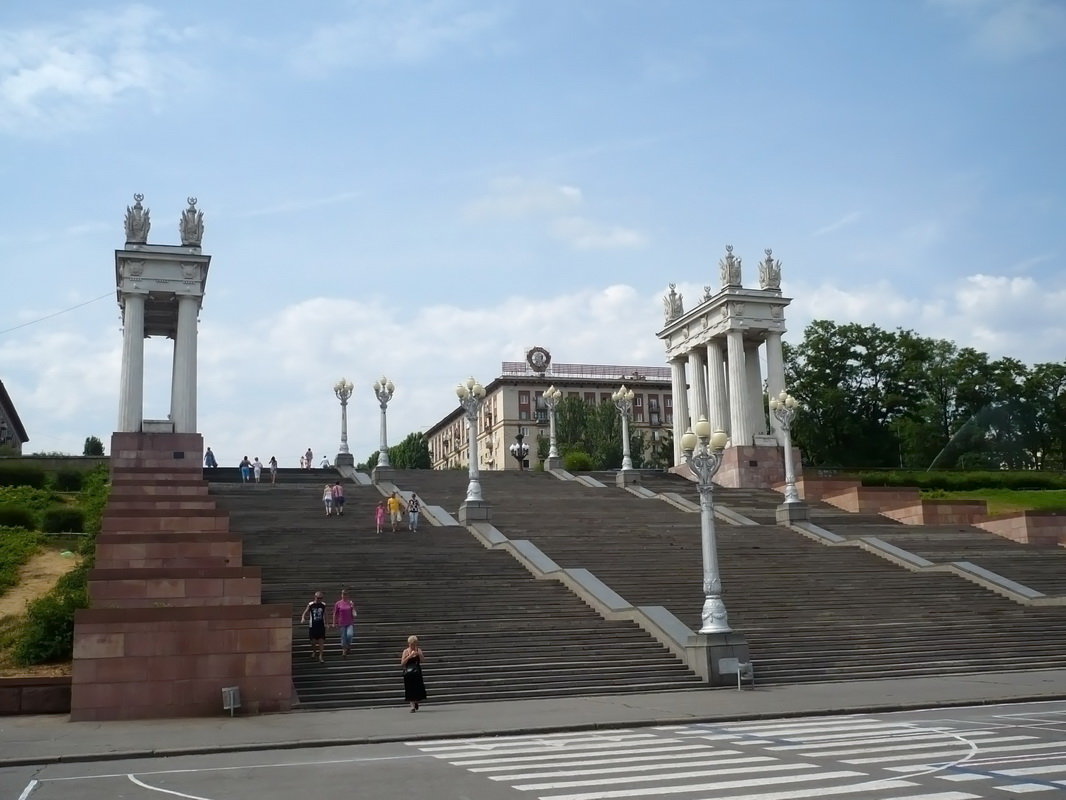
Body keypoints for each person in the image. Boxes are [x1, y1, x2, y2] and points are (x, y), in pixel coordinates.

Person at [401, 634, 427, 712]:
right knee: (409, 689)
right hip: (408, 673)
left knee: (417, 688)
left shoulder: (418, 650)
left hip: (417, 672)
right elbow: (402, 663)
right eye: (411, 644)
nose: (412, 645)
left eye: (414, 644)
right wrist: (409, 656)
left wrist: (418, 654)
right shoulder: (405, 651)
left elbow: (423, 660)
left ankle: (416, 701)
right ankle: (412, 706)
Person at [300, 591, 328, 662]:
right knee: (313, 642)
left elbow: (325, 614)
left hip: (321, 625)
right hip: (313, 626)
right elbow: (304, 612)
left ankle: (321, 656)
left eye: (321, 598)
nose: (319, 599)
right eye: (318, 598)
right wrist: (303, 618)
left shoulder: (323, 605)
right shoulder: (311, 604)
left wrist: (327, 623)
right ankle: (314, 651)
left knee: (321, 641)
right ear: (315, 597)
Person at [331, 588, 357, 658]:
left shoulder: (350, 603)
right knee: (343, 637)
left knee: (350, 635)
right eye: (343, 594)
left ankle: (348, 645)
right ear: (341, 595)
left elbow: (354, 612)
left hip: (349, 622)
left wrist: (353, 606)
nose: (344, 595)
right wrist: (334, 623)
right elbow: (335, 613)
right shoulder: (338, 603)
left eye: (345, 594)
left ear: (347, 595)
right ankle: (344, 650)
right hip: (341, 622)